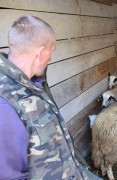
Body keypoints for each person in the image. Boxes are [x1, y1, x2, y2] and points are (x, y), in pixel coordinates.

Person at [0, 16, 101, 179]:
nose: (51, 58)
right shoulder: (5, 104)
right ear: (40, 53)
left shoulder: (32, 85)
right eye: (51, 52)